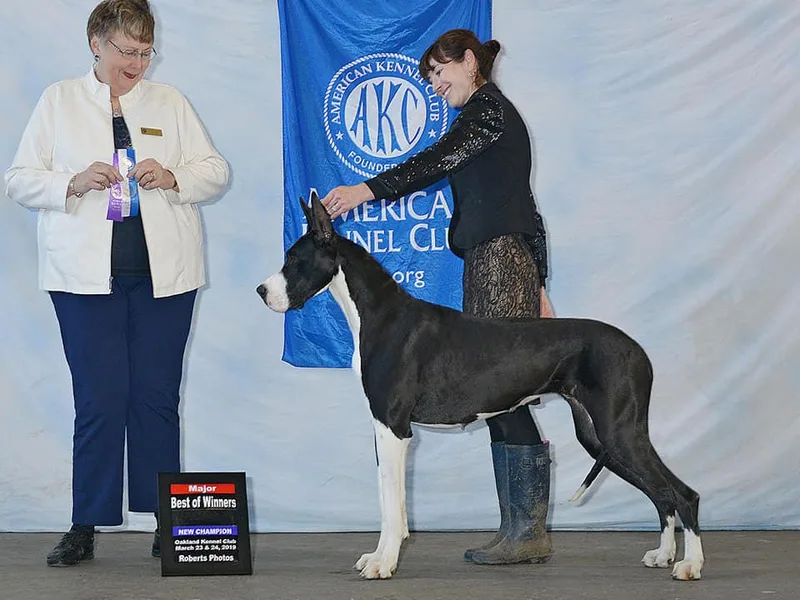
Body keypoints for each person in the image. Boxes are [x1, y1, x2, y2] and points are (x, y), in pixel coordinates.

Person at [4, 0, 229, 567]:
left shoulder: (170, 102)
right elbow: (19, 180)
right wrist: (71, 183)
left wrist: (174, 175)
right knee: (99, 400)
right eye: (127, 50)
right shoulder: (58, 100)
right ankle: (85, 523)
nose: (138, 62)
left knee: (156, 397)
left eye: (145, 51)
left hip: (165, 278)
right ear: (95, 43)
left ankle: (169, 521)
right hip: (83, 281)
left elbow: (215, 171)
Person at [322, 29, 554, 565]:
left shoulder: (486, 112)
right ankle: (523, 530)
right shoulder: (491, 116)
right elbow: (527, 208)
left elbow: (437, 160)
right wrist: (538, 282)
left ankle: (527, 532)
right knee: (503, 391)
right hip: (500, 260)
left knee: (504, 392)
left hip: (499, 261)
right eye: (428, 76)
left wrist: (365, 190)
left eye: (438, 71)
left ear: (470, 61)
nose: (434, 83)